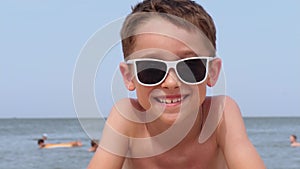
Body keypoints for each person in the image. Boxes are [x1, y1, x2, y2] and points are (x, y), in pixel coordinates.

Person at [88, 0, 266, 168]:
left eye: (190, 66)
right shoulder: (128, 118)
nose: (171, 82)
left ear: (212, 72)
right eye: (151, 69)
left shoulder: (221, 114)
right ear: (129, 77)